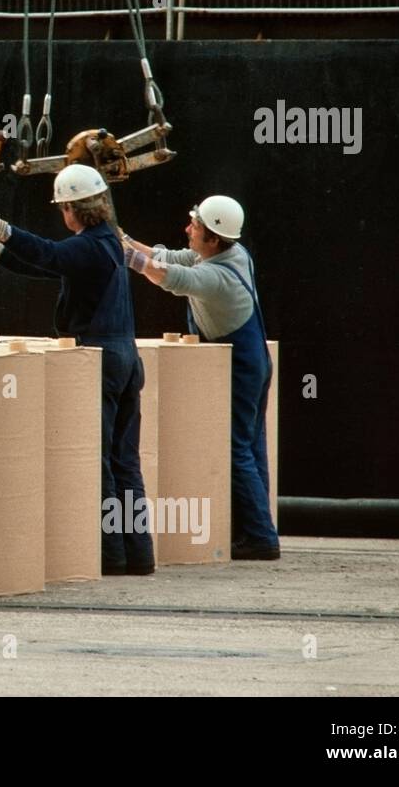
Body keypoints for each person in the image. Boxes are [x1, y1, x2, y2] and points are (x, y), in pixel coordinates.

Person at [0, 164, 154, 575]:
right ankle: (139, 554)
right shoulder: (107, 244)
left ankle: (112, 556)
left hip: (100, 359)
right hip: (126, 359)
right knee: (125, 462)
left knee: (100, 461)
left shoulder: (91, 246)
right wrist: (0, 255)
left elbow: (50, 253)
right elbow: (53, 265)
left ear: (71, 210)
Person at [123, 195, 280, 560]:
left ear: (212, 238)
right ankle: (258, 530)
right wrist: (124, 238)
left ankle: (261, 539)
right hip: (254, 361)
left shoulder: (216, 276)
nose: (187, 229)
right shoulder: (228, 253)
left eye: (194, 226)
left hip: (243, 366)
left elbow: (170, 275)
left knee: (236, 449)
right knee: (250, 446)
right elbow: (174, 257)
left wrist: (126, 256)